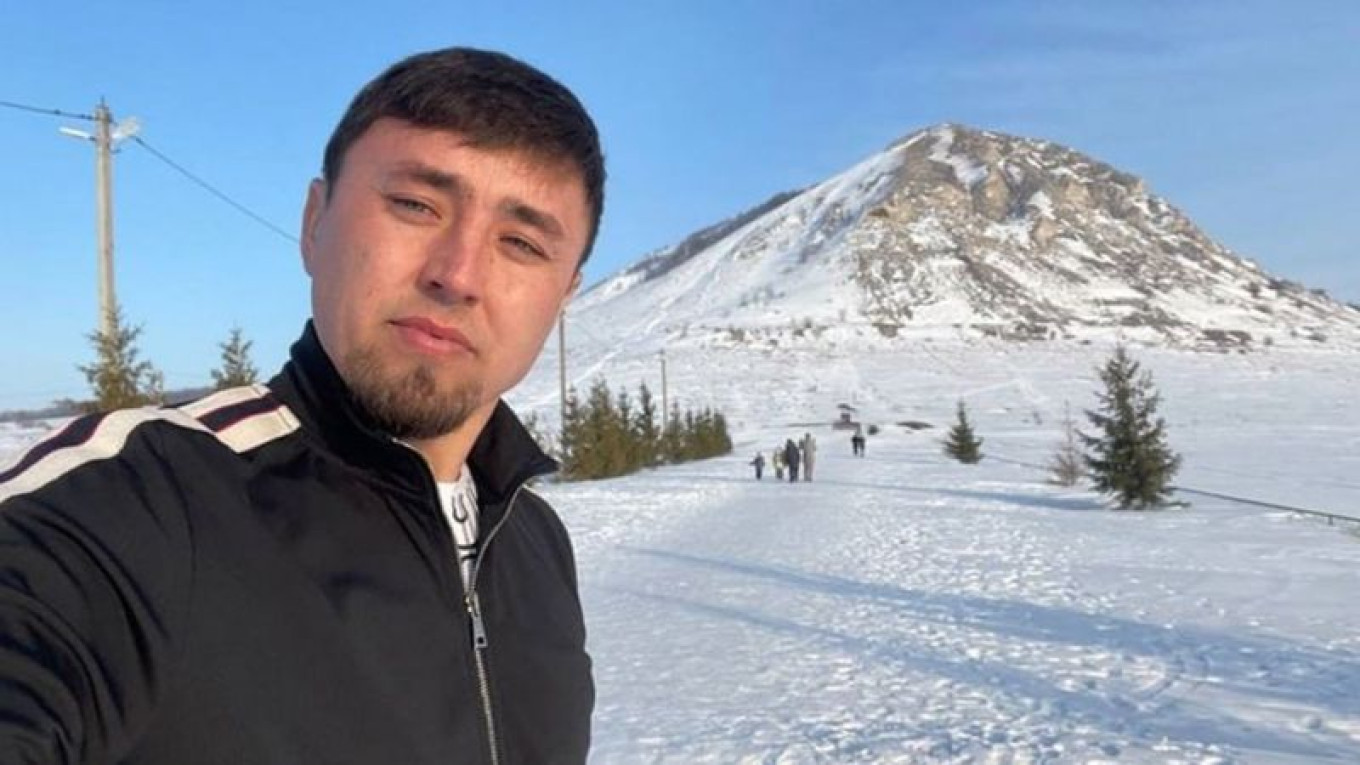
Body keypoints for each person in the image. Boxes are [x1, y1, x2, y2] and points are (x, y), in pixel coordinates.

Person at [0, 47, 602, 765]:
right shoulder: (137, 502)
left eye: (522, 242)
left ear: (564, 296)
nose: (458, 274)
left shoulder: (535, 541)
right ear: (315, 221)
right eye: (415, 204)